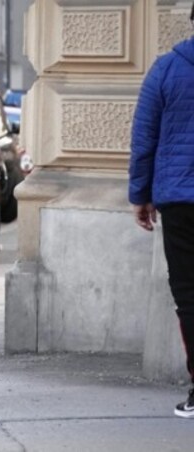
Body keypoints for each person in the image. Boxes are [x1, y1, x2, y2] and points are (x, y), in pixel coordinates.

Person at [129, 5, 194, 419]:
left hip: (179, 200)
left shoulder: (167, 69)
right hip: (177, 195)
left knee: (189, 296)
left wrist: (140, 194)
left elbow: (144, 135)